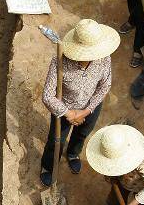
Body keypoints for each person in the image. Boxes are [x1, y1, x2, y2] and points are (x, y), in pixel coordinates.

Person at [40, 19, 119, 185]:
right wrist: (68, 113)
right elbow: (48, 96)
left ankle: (73, 154)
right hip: (64, 109)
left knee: (82, 134)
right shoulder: (59, 63)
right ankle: (48, 166)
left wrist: (85, 111)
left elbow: (105, 86)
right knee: (56, 140)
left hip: (90, 108)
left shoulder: (104, 59)